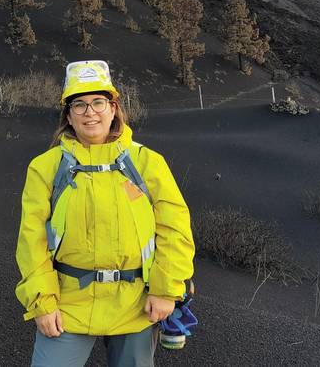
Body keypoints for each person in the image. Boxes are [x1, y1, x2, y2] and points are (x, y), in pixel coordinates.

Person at [15, 60, 195, 367]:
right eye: (79, 104)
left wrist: (167, 290)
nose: (90, 112)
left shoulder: (148, 162)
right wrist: (42, 303)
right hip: (68, 303)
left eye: (99, 102)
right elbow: (31, 240)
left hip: (136, 304)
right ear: (68, 115)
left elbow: (174, 228)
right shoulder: (44, 167)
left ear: (113, 109)